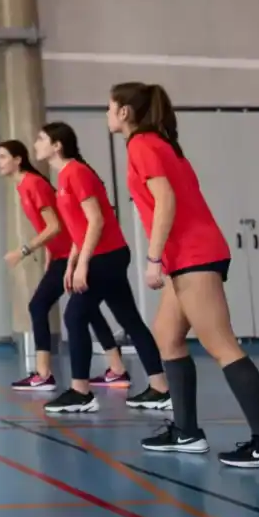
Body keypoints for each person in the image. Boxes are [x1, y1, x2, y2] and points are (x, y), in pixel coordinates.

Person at [108, 82, 259, 468]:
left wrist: (154, 257)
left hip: (192, 254)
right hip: (187, 255)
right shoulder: (160, 144)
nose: (107, 114)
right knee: (167, 336)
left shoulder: (142, 144)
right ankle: (187, 432)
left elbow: (166, 201)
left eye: (110, 107)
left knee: (221, 344)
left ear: (125, 111)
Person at [31, 122, 171, 415]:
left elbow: (96, 221)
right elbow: (78, 228)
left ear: (57, 145)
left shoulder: (76, 173)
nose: (36, 143)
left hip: (106, 257)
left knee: (75, 316)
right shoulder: (65, 178)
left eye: (41, 139)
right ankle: (160, 388)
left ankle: (81, 392)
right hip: (102, 255)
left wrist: (83, 265)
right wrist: (71, 262)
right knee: (130, 320)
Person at [0, 140, 131, 394]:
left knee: (39, 305)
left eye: (3, 157)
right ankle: (116, 367)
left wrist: (24, 251)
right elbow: (57, 223)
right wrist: (50, 251)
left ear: (18, 160)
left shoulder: (33, 184)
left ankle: (44, 373)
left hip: (71, 254)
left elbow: (56, 225)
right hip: (61, 255)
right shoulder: (25, 186)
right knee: (88, 310)